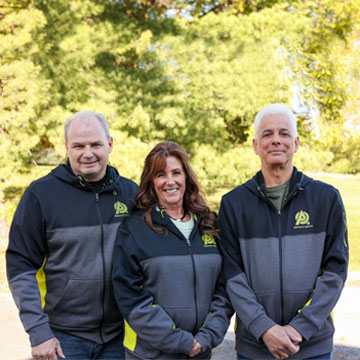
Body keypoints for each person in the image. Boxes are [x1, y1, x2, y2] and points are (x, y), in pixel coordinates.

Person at [218, 103, 349, 360]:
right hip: (255, 347)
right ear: (256, 145)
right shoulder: (233, 204)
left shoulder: (326, 198)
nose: (276, 140)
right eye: (267, 134)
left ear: (296, 143)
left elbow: (335, 271)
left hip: (312, 347)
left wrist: (300, 328)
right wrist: (264, 328)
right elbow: (231, 275)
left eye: (284, 133)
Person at [6, 111, 138, 360]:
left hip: (118, 336)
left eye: (96, 144)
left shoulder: (131, 194)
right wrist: (39, 332)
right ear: (66, 146)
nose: (87, 153)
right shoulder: (41, 195)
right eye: (78, 145)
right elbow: (20, 266)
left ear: (110, 144)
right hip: (63, 338)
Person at [112, 141, 233, 359]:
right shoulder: (134, 229)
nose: (170, 181)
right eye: (160, 175)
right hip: (150, 354)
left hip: (200, 352)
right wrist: (180, 341)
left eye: (176, 172)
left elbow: (224, 288)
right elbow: (129, 296)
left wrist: (207, 337)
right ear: (151, 181)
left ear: (186, 176)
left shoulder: (209, 224)